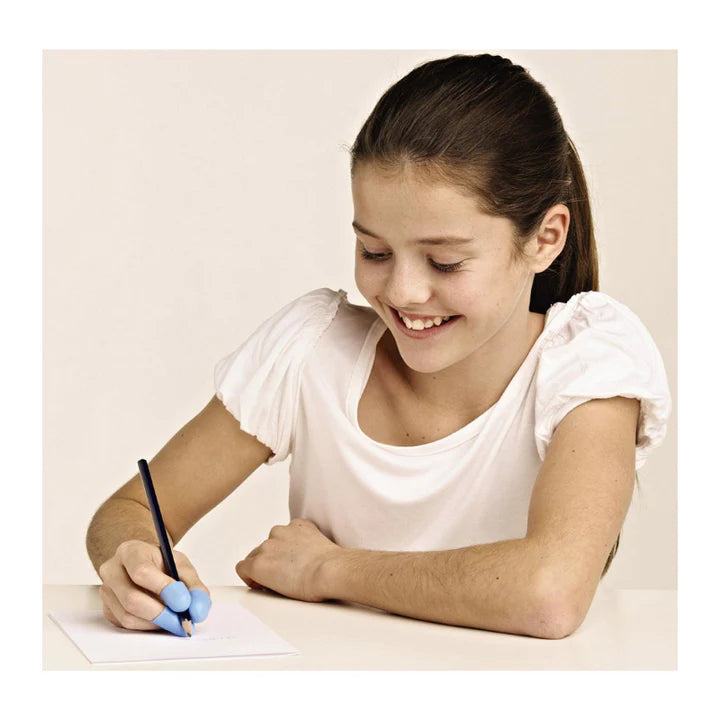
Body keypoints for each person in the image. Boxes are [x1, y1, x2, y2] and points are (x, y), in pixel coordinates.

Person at [86, 53, 672, 640]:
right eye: (375, 252)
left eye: (445, 260)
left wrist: (328, 568)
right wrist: (134, 565)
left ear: (545, 239)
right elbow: (130, 512)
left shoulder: (591, 363)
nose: (402, 291)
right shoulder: (310, 351)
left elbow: (549, 593)